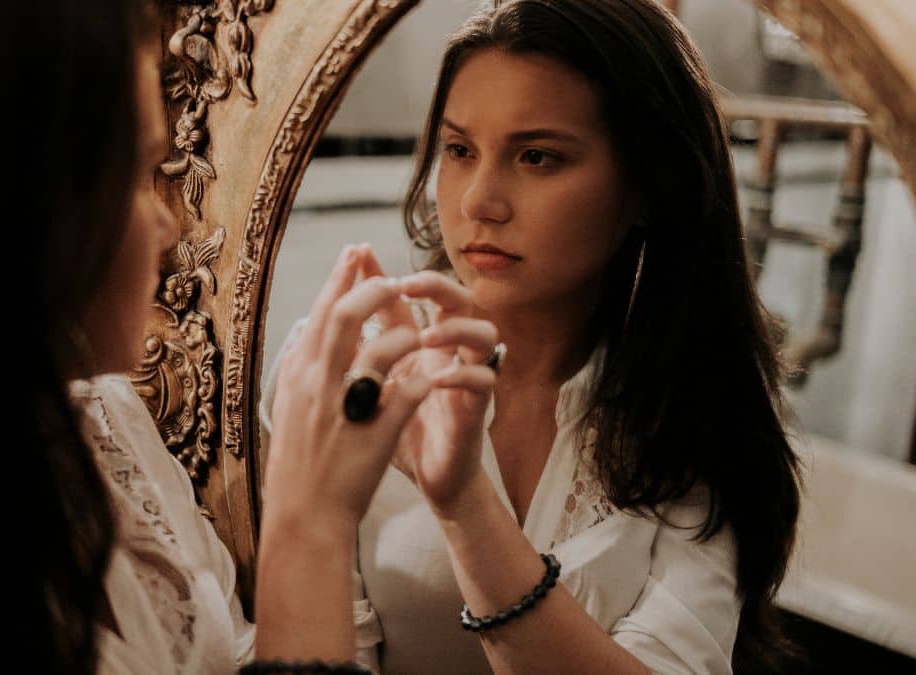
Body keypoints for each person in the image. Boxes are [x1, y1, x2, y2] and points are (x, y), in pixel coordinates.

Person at [0, 1, 473, 672]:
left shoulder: (107, 423)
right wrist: (308, 523)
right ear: (7, 203)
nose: (168, 227)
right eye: (138, 173)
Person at [261, 1, 803, 673]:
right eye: (459, 150)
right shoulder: (348, 373)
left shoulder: (691, 410)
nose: (478, 200)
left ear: (645, 187)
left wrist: (465, 505)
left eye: (537, 156)